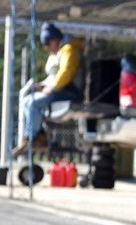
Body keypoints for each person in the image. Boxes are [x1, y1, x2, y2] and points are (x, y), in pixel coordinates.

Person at [13, 22, 83, 156]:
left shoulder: (69, 50)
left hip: (69, 92)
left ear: (56, 39)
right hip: (58, 89)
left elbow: (66, 73)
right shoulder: (59, 51)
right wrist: (43, 86)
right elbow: (54, 76)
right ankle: (39, 136)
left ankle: (32, 137)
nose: (46, 47)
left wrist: (52, 88)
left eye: (47, 43)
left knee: (33, 102)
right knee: (26, 101)